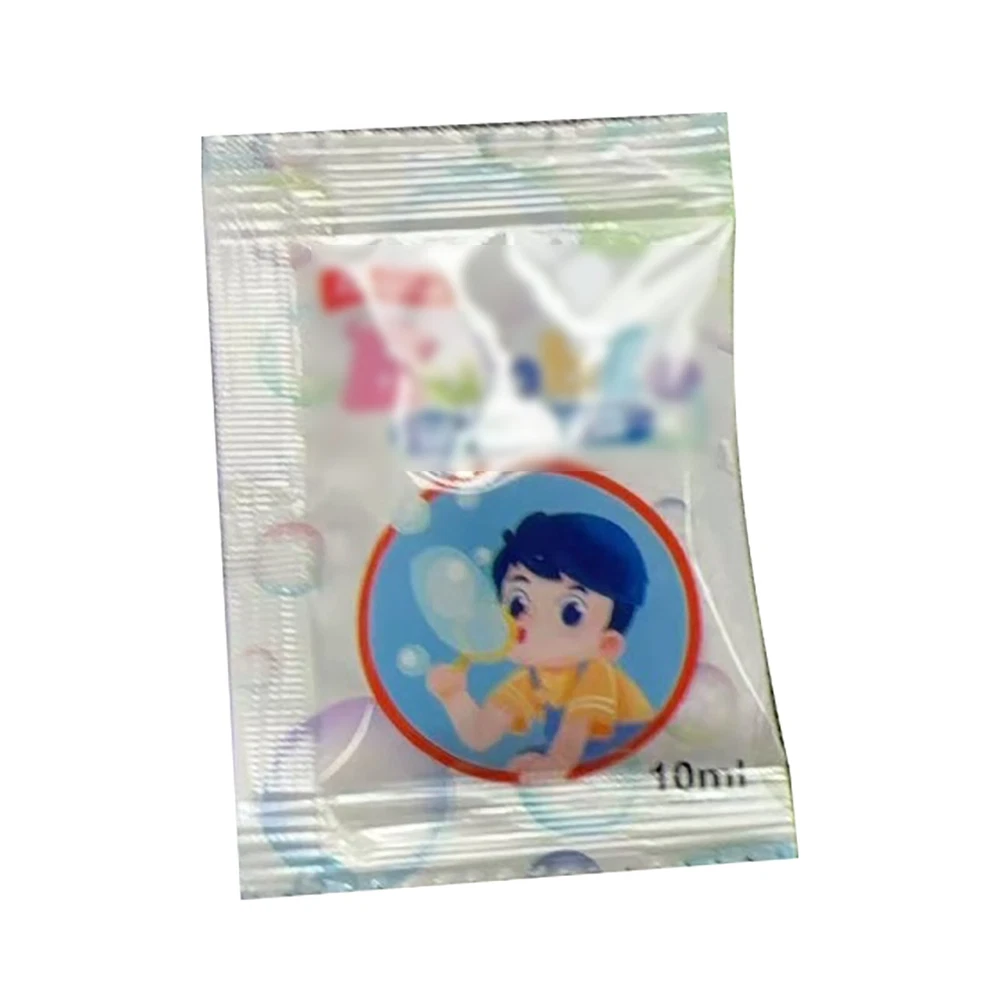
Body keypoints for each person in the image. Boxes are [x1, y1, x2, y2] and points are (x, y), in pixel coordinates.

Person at [427, 511, 653, 782]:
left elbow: (572, 739)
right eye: (518, 603)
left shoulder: (596, 673)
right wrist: (454, 697)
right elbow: (480, 736)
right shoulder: (531, 679)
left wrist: (555, 763)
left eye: (571, 612)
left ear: (607, 645)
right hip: (594, 769)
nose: (529, 621)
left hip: (643, 754)